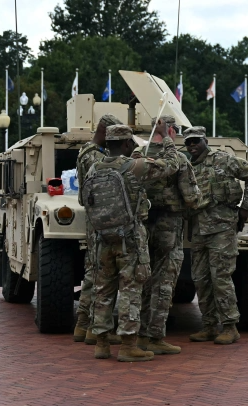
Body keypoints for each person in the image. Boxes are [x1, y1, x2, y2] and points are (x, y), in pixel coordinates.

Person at [84, 123, 180, 362]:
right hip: (130, 239)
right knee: (131, 289)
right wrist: (166, 138)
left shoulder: (94, 167)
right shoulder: (134, 166)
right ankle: (128, 346)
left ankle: (101, 344)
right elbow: (172, 164)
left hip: (102, 238)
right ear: (127, 143)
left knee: (102, 290)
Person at [184, 126, 248, 345]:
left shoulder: (223, 160)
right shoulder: (188, 167)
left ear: (205, 141)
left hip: (222, 228)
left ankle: (229, 326)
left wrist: (245, 208)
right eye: (188, 142)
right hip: (199, 230)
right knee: (201, 279)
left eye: (196, 141)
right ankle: (209, 325)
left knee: (221, 278)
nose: (192, 145)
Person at [131, 116, 201, 355]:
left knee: (143, 280)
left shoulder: (137, 156)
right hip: (169, 226)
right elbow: (191, 197)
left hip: (141, 226)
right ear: (170, 130)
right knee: (163, 283)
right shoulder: (178, 159)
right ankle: (155, 336)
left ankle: (139, 334)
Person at [73, 114, 123, 346]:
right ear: (106, 131)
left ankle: (83, 325)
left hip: (95, 220)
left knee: (93, 273)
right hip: (101, 221)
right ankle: (94, 327)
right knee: (99, 275)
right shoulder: (95, 157)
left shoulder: (87, 151)